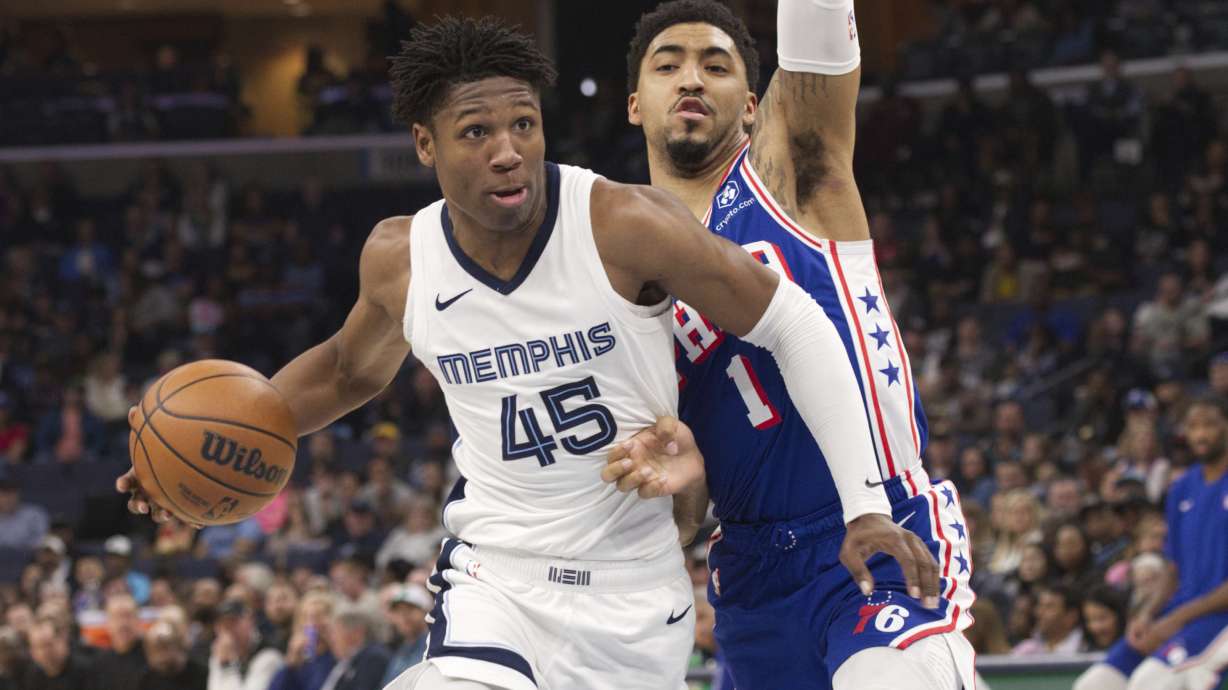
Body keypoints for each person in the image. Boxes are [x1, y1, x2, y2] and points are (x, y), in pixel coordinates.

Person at [120, 14, 936, 690]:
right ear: (425, 145)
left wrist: (866, 501)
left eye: (523, 125)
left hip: (632, 590)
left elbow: (792, 322)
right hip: (497, 570)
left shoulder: (623, 223)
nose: (507, 150)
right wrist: (189, 463)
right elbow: (341, 371)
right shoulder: (402, 257)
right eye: (475, 132)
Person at [607, 2, 971, 688]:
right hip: (748, 571)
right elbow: (685, 511)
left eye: (715, 66)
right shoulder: (625, 276)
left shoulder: (786, 169)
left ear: (751, 106)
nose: (691, 78)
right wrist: (672, 482)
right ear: (635, 104)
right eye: (669, 65)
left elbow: (817, 33)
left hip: (874, 525)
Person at [1075, 396, 1228, 690]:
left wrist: (1174, 620)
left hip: (1218, 618)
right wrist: (1147, 614)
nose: (1201, 434)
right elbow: (1173, 567)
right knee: (1093, 684)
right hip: (1184, 612)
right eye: (1193, 426)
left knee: (1149, 682)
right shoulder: (1182, 488)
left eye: (1209, 424)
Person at [207, 599, 284, 690]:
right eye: (222, 625)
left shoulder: (269, 654)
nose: (228, 630)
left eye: (233, 622)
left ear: (250, 620)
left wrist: (227, 666)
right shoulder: (220, 653)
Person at [319, 605, 389, 690]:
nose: (331, 639)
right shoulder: (345, 661)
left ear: (357, 633)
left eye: (335, 632)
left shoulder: (374, 658)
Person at [94, 593, 149, 688]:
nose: (123, 623)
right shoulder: (99, 663)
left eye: (128, 616)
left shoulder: (152, 658)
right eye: (117, 616)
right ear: (107, 623)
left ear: (139, 620)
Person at [381, 585, 430, 686]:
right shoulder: (401, 650)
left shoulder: (434, 647)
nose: (403, 616)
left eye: (410, 609)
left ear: (427, 612)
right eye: (398, 611)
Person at [138, 620, 208, 690]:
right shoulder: (146, 678)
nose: (161, 656)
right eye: (155, 650)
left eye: (165, 647)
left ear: (178, 645)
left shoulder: (201, 673)